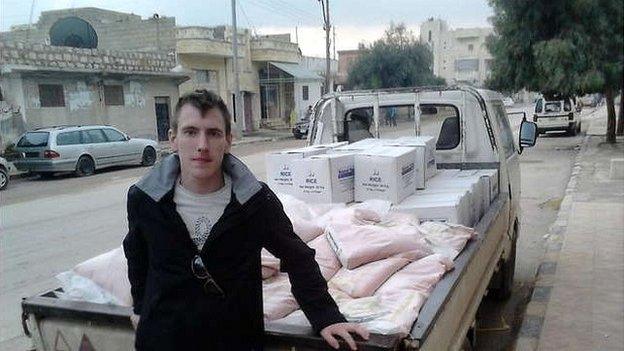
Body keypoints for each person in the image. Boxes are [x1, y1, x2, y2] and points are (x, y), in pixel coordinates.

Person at [123, 89, 369, 350]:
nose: (202, 145)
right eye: (191, 131)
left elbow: (298, 257)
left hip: (234, 341)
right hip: (163, 340)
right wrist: (141, 308)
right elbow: (138, 257)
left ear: (228, 140)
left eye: (214, 133)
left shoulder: (254, 201)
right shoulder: (145, 199)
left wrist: (325, 316)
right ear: (173, 139)